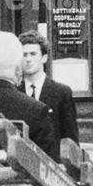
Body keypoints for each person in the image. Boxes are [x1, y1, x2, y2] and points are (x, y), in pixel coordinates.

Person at [18, 30, 79, 160]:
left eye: (33, 54)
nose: (28, 59)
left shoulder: (62, 93)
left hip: (54, 168)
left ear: (44, 58)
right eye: (24, 55)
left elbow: (71, 138)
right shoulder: (15, 92)